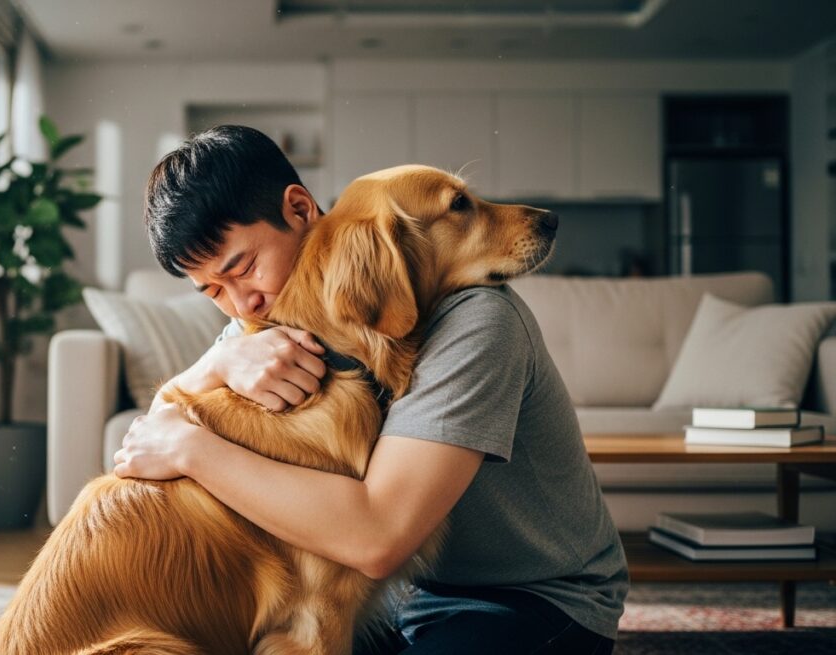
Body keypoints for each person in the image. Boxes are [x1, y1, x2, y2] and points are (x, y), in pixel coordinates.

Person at [112, 125, 628, 654]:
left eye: (243, 268)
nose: (243, 304)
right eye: (213, 291)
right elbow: (152, 437)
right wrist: (216, 363)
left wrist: (192, 450)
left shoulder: (478, 320)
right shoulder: (262, 330)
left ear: (298, 209)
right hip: (393, 600)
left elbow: (378, 538)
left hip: (533, 599)